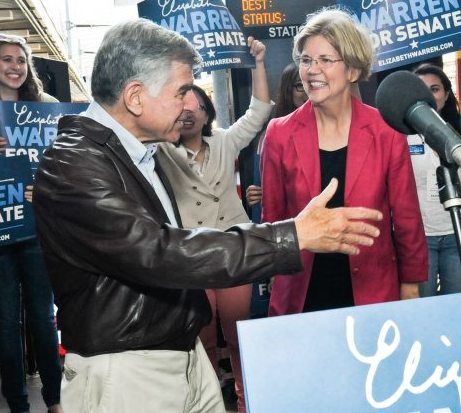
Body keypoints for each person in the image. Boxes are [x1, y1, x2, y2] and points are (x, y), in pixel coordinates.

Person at [33, 19, 383, 413]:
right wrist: (293, 235)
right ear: (134, 96)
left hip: (178, 353)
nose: (190, 105)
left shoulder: (136, 152)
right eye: (181, 91)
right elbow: (161, 253)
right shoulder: (75, 165)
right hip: (128, 371)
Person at [261, 8, 428, 317]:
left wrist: (411, 284)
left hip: (373, 289)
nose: (312, 70)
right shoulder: (279, 134)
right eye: (306, 60)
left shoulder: (386, 131)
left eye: (325, 60)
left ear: (352, 70)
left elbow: (406, 218)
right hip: (300, 291)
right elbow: (273, 219)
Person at [156, 37, 270, 413]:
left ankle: (244, 402)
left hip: (233, 252)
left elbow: (259, 110)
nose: (188, 111)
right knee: (200, 340)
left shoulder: (224, 142)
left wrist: (257, 62)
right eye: (181, 105)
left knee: (240, 337)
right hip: (192, 257)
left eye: (197, 105)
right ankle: (205, 405)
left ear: (207, 114)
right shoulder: (160, 151)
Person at [0, 34, 62, 413]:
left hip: (37, 225)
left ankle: (54, 401)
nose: (14, 67)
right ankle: (18, 404)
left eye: (21, 60)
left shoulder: (47, 107)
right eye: (6, 59)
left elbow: (64, 161)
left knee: (43, 315)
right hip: (1, 231)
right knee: (6, 322)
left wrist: (46, 188)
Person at [407, 63, 461, 297]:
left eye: (435, 89)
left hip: (455, 235)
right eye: (421, 89)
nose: (429, 96)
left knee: (455, 309)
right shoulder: (399, 137)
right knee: (424, 309)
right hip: (419, 240)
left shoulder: (457, 134)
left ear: (446, 94)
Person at [246, 62, 308, 210]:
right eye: (300, 85)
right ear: (288, 90)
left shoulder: (333, 130)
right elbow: (260, 192)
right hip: (288, 223)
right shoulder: (271, 135)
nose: (308, 90)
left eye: (312, 83)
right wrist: (260, 194)